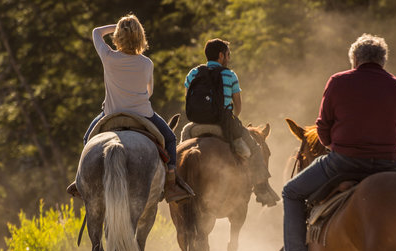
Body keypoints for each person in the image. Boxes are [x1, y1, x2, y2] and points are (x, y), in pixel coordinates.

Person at [273, 33, 396, 251]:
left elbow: (323, 128)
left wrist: (334, 146)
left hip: (344, 163)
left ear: (354, 60)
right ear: (383, 61)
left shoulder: (338, 81)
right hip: (389, 166)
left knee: (291, 192)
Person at [66, 14, 190, 203]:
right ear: (141, 37)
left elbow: (96, 32)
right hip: (143, 115)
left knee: (87, 139)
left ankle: (82, 181)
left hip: (111, 113)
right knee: (171, 139)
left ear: (117, 36)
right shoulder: (147, 63)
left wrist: (118, 26)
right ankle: (172, 184)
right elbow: (149, 92)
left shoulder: (108, 57)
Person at [184, 38, 280, 207]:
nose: (229, 58)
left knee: (182, 146)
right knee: (255, 149)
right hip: (224, 123)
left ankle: (176, 182)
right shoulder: (229, 75)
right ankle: (262, 189)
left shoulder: (193, 73)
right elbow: (238, 107)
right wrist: (231, 118)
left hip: (196, 124)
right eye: (228, 54)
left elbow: (188, 99)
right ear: (221, 55)